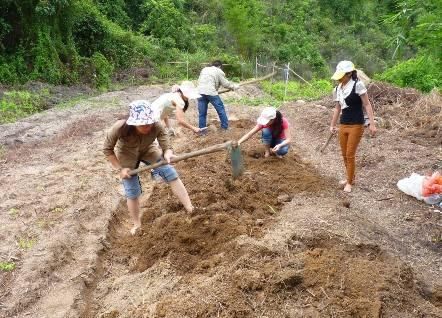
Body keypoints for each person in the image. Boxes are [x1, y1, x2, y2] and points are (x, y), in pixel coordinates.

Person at [103, 100, 194, 234]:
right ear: (134, 123)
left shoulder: (155, 124)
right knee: (132, 191)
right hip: (127, 154)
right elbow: (107, 149)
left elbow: (164, 137)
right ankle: (137, 225)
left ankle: (190, 207)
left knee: (170, 173)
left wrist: (168, 152)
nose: (147, 127)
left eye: (149, 123)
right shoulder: (119, 128)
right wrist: (120, 168)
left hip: (149, 150)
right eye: (143, 125)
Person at [329, 60, 376, 193]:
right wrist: (332, 125)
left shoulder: (358, 85)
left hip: (356, 124)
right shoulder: (338, 88)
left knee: (350, 154)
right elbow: (337, 108)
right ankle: (350, 177)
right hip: (343, 123)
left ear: (349, 74)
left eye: (342, 75)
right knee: (344, 154)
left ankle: (349, 182)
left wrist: (372, 124)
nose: (339, 79)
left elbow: (367, 104)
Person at [197, 60, 240, 132]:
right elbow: (226, 84)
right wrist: (234, 87)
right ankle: (225, 127)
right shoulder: (218, 71)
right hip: (211, 92)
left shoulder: (204, 69)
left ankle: (202, 131)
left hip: (200, 92)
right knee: (221, 110)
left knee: (202, 113)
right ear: (220, 66)